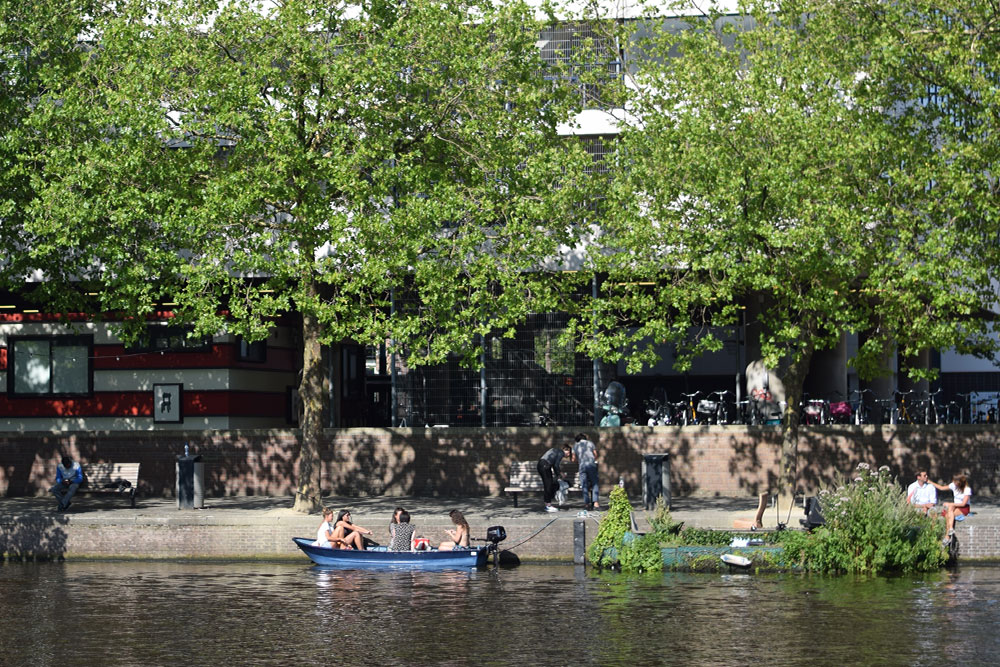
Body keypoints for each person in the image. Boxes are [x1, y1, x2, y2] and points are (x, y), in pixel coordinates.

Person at [929, 474, 972, 545]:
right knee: (949, 510)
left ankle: (947, 536)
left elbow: (963, 504)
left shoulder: (967, 489)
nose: (953, 483)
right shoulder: (953, 485)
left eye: (955, 482)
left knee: (948, 514)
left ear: (960, 482)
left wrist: (950, 504)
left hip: (963, 507)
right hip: (954, 506)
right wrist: (930, 482)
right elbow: (941, 488)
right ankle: (951, 529)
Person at [537, 443, 573, 513]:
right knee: (548, 485)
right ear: (566, 450)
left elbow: (553, 465)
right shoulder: (561, 452)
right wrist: (560, 474)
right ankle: (548, 505)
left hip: (541, 465)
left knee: (549, 484)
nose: (568, 455)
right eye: (569, 453)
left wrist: (558, 475)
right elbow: (556, 465)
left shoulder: (555, 450)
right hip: (545, 466)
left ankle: (547, 504)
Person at [572, 433, 600, 510]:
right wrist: (593, 459)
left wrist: (579, 460)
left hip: (582, 466)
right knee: (594, 483)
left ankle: (586, 504)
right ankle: (596, 503)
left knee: (584, 485)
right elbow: (595, 454)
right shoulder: (590, 443)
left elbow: (573, 459)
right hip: (591, 464)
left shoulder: (575, 445)